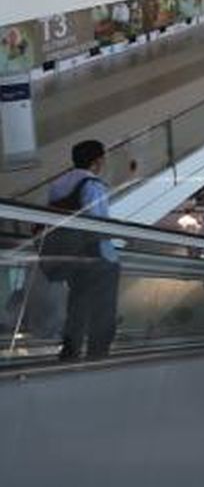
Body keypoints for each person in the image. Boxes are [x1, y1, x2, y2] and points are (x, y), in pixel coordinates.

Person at [44, 140, 119, 361]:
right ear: (97, 161)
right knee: (103, 310)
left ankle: (70, 350)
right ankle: (98, 355)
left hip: (70, 254)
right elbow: (98, 223)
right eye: (102, 158)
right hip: (96, 255)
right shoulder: (93, 185)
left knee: (77, 304)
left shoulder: (57, 185)